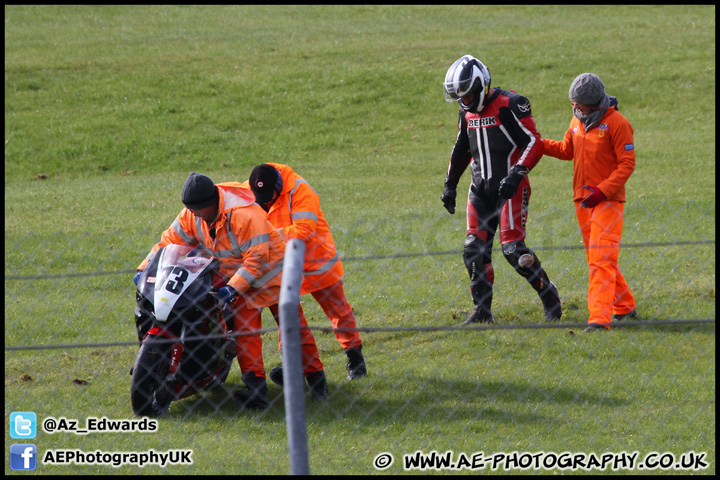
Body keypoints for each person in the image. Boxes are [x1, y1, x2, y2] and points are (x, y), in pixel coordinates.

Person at [134, 172, 329, 408]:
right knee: (246, 333)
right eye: (190, 209)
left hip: (273, 272)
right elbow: (170, 241)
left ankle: (317, 381)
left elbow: (257, 259)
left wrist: (231, 289)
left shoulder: (244, 215)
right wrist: (144, 268)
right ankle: (256, 391)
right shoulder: (192, 213)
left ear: (213, 203)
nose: (193, 214)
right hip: (238, 278)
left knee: (293, 328)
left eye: (198, 210)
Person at [441, 54, 562, 325]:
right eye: (461, 97)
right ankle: (482, 312)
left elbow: (534, 143)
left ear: (482, 85)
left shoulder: (511, 104)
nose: (466, 102)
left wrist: (517, 174)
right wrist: (450, 185)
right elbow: (462, 148)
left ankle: (549, 296)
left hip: (511, 190)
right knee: (473, 251)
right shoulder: (466, 111)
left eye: (469, 95)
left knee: (513, 252)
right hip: (479, 191)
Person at [243, 163, 367, 381]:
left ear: (279, 187)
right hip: (282, 266)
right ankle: (293, 365)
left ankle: (355, 359)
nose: (264, 202)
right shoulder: (248, 191)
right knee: (287, 317)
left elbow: (304, 229)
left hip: (315, 262)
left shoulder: (301, 190)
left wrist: (265, 237)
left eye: (268, 197)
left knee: (338, 312)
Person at [541, 73, 637, 332]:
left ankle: (599, 320)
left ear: (595, 104)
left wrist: (603, 191)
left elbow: (627, 164)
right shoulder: (576, 121)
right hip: (582, 202)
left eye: (579, 104)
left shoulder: (618, 123)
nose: (575, 107)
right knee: (599, 257)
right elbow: (566, 150)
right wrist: (537, 143)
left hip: (608, 201)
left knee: (600, 260)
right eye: (573, 103)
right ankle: (625, 306)